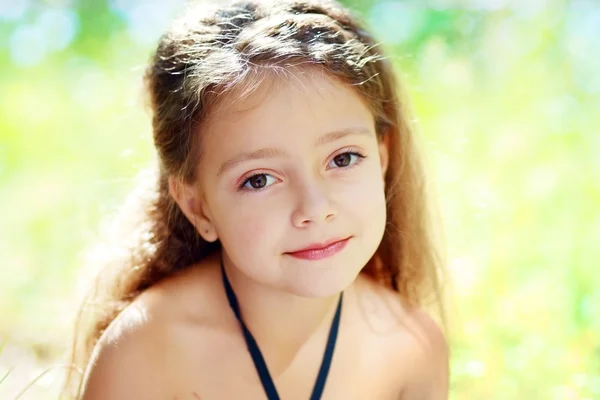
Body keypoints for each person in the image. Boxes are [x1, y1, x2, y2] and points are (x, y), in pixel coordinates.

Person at [64, 0, 449, 398]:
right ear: (197, 206)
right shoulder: (147, 351)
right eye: (260, 180)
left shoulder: (411, 348)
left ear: (382, 158)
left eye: (343, 158)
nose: (315, 209)